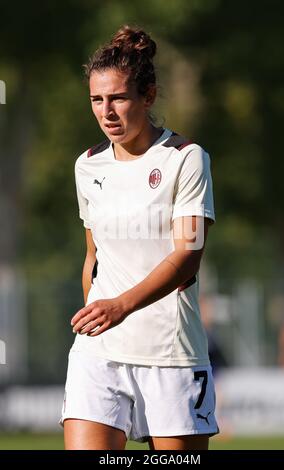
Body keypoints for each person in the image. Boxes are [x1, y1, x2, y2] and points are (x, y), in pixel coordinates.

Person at [61, 25, 219, 450]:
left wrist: (121, 307)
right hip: (99, 353)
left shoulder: (185, 159)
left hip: (170, 355)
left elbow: (188, 256)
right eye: (97, 99)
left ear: (147, 97)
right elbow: (93, 254)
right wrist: (96, 316)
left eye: (118, 98)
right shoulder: (87, 166)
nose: (107, 111)